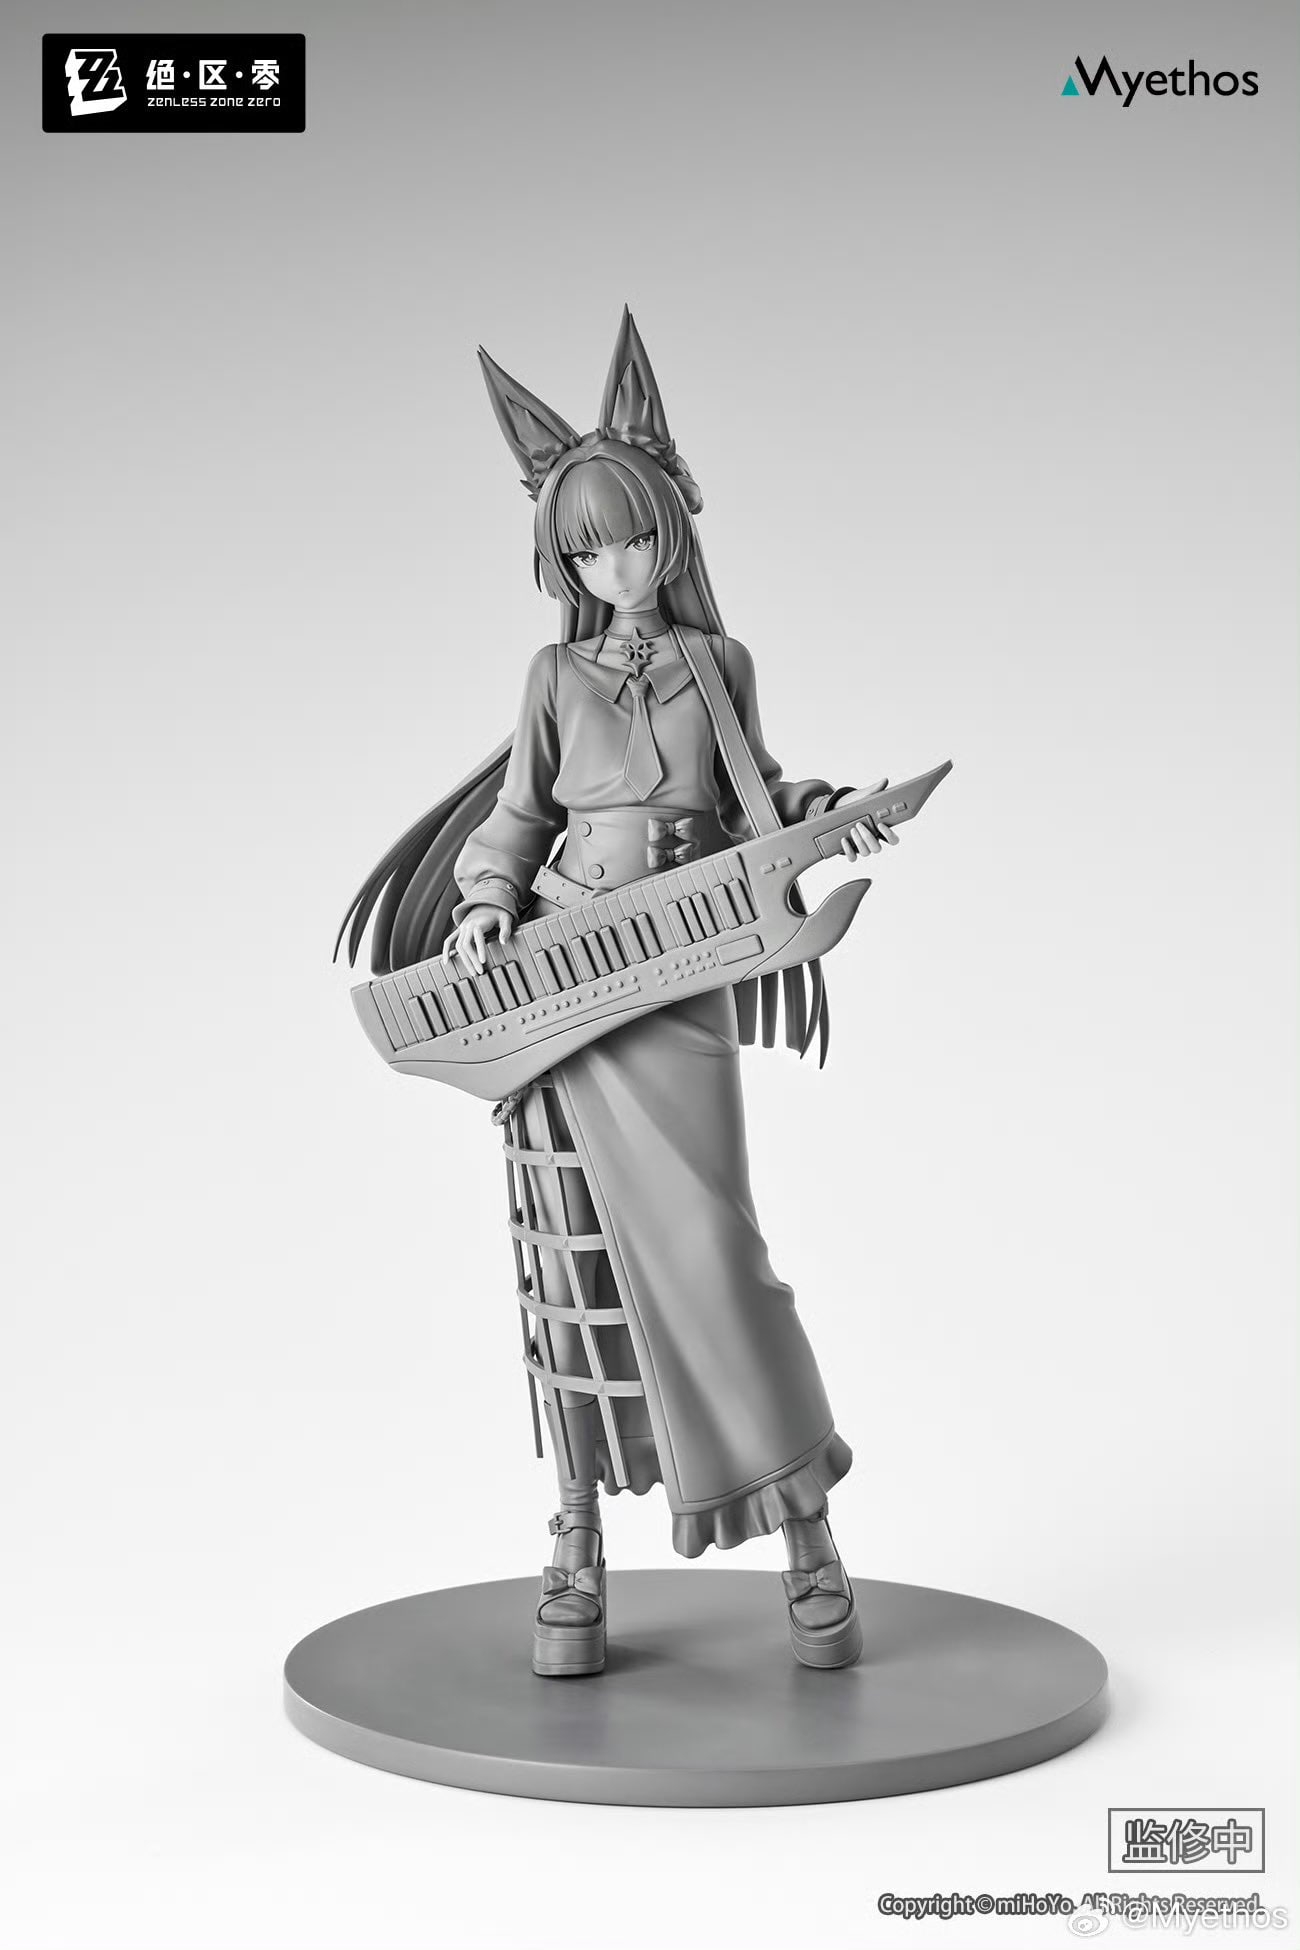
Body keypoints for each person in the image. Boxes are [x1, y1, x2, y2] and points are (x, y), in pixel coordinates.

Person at [337, 310, 898, 1678]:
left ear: (670, 533)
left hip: (682, 974)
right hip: (561, 982)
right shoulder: (551, 676)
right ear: (561, 559)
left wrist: (829, 813)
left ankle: (806, 1531)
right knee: (567, 1262)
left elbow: (756, 795)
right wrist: (485, 905)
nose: (614, 567)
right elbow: (519, 818)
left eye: (631, 539)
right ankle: (575, 1543)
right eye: (586, 549)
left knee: (720, 1255)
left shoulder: (719, 665)